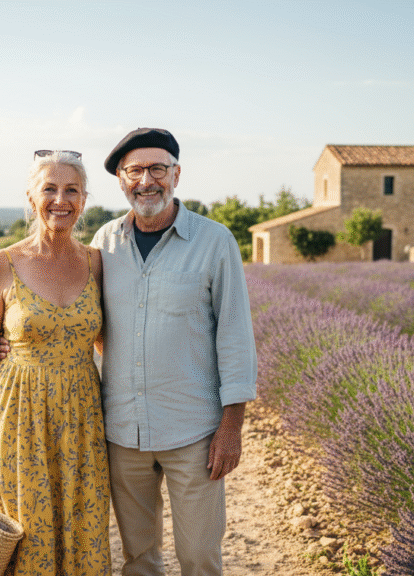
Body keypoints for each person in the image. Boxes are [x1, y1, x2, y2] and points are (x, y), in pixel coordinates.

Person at [94, 128, 257, 576]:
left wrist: (231, 428)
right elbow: (77, 318)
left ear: (176, 175)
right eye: (135, 170)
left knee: (200, 557)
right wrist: (14, 341)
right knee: (139, 559)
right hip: (123, 431)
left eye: (157, 168)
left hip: (194, 433)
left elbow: (236, 338)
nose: (147, 180)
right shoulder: (102, 244)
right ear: (122, 181)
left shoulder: (215, 241)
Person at [0, 149, 110, 575]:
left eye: (72, 190)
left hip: (83, 421)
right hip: (17, 419)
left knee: (86, 529)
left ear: (83, 201)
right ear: (31, 197)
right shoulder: (3, 264)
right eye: (49, 188)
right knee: (27, 536)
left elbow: (106, 341)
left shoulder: (96, 262)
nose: (60, 199)